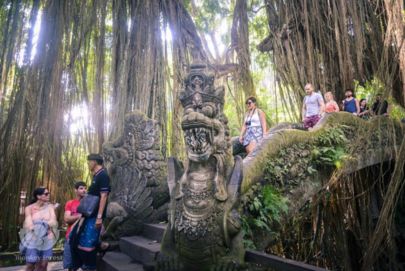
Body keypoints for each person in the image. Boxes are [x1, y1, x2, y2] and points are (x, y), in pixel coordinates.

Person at [74, 153, 110, 271]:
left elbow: (104, 196)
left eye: (89, 161)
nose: (88, 164)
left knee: (88, 243)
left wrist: (99, 217)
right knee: (84, 242)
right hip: (90, 215)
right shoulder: (96, 176)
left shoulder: (103, 175)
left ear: (94, 162)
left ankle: (91, 267)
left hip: (95, 216)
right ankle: (88, 266)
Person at [22, 187, 58, 271]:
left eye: (48, 193)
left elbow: (53, 221)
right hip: (33, 238)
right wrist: (35, 229)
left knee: (43, 265)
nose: (48, 195)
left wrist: (39, 223)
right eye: (46, 194)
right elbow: (28, 221)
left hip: (47, 239)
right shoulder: (29, 208)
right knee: (31, 263)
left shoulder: (50, 207)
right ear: (38, 196)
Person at [63, 181, 86, 271]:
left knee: (86, 265)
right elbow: (67, 219)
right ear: (75, 190)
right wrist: (80, 216)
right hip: (71, 236)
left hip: (85, 237)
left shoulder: (90, 203)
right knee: (71, 266)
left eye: (85, 188)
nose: (84, 190)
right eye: (81, 188)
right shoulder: (70, 203)